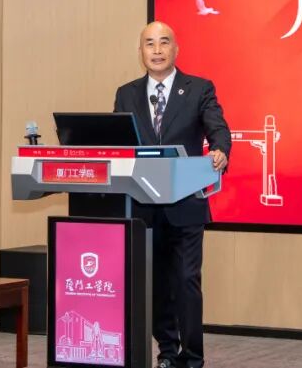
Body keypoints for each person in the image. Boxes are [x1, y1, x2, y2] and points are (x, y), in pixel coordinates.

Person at [113, 21, 231, 368]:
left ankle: (192, 358)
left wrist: (220, 150)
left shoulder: (199, 89)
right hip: (142, 205)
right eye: (149, 44)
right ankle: (167, 352)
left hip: (186, 203)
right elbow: (117, 142)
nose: (157, 50)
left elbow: (218, 128)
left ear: (176, 49)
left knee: (186, 280)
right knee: (155, 283)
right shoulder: (126, 93)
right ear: (141, 52)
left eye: (164, 42)